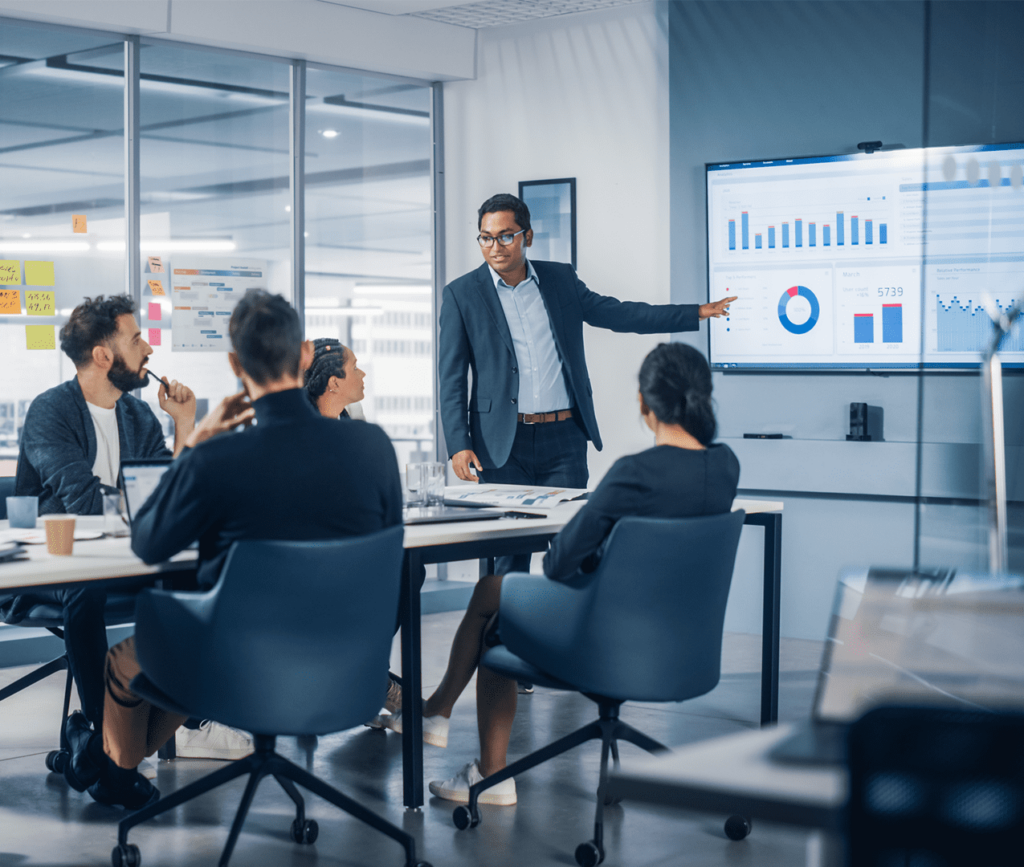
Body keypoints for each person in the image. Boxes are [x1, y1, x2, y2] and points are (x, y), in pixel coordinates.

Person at [78, 290, 403, 809]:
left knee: (125, 661)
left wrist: (197, 440)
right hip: (345, 665)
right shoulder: (375, 448)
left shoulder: (221, 457)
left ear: (235, 364)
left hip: (236, 669)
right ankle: (101, 764)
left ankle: (110, 770)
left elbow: (149, 541)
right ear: (303, 354)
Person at [421, 343, 740, 806]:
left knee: (494, 619)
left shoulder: (635, 473)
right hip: (681, 646)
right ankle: (438, 713)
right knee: (495, 591)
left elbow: (558, 564)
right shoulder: (726, 466)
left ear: (644, 404)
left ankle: (487, 770)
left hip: (604, 642)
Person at [438, 193, 735, 573]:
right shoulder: (462, 294)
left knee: (576, 548)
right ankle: (503, 615)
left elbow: (620, 314)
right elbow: (451, 377)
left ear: (527, 236)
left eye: (506, 236)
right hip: (501, 444)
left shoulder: (560, 279)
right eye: (486, 237)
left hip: (563, 439)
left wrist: (694, 313)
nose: (495, 246)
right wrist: (458, 444)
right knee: (507, 558)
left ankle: (574, 612)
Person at [0, 295, 196, 785]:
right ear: (103, 355)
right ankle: (103, 743)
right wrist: (141, 502)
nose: (148, 348)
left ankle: (118, 739)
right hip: (54, 571)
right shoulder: (51, 411)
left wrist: (184, 425)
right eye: (136, 339)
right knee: (85, 590)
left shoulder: (138, 416)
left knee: (192, 580)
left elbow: (168, 500)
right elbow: (84, 503)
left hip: (122, 562)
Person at [303, 337, 366, 419]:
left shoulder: (354, 412)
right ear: (334, 383)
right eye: (354, 368)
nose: (363, 374)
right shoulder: (301, 422)